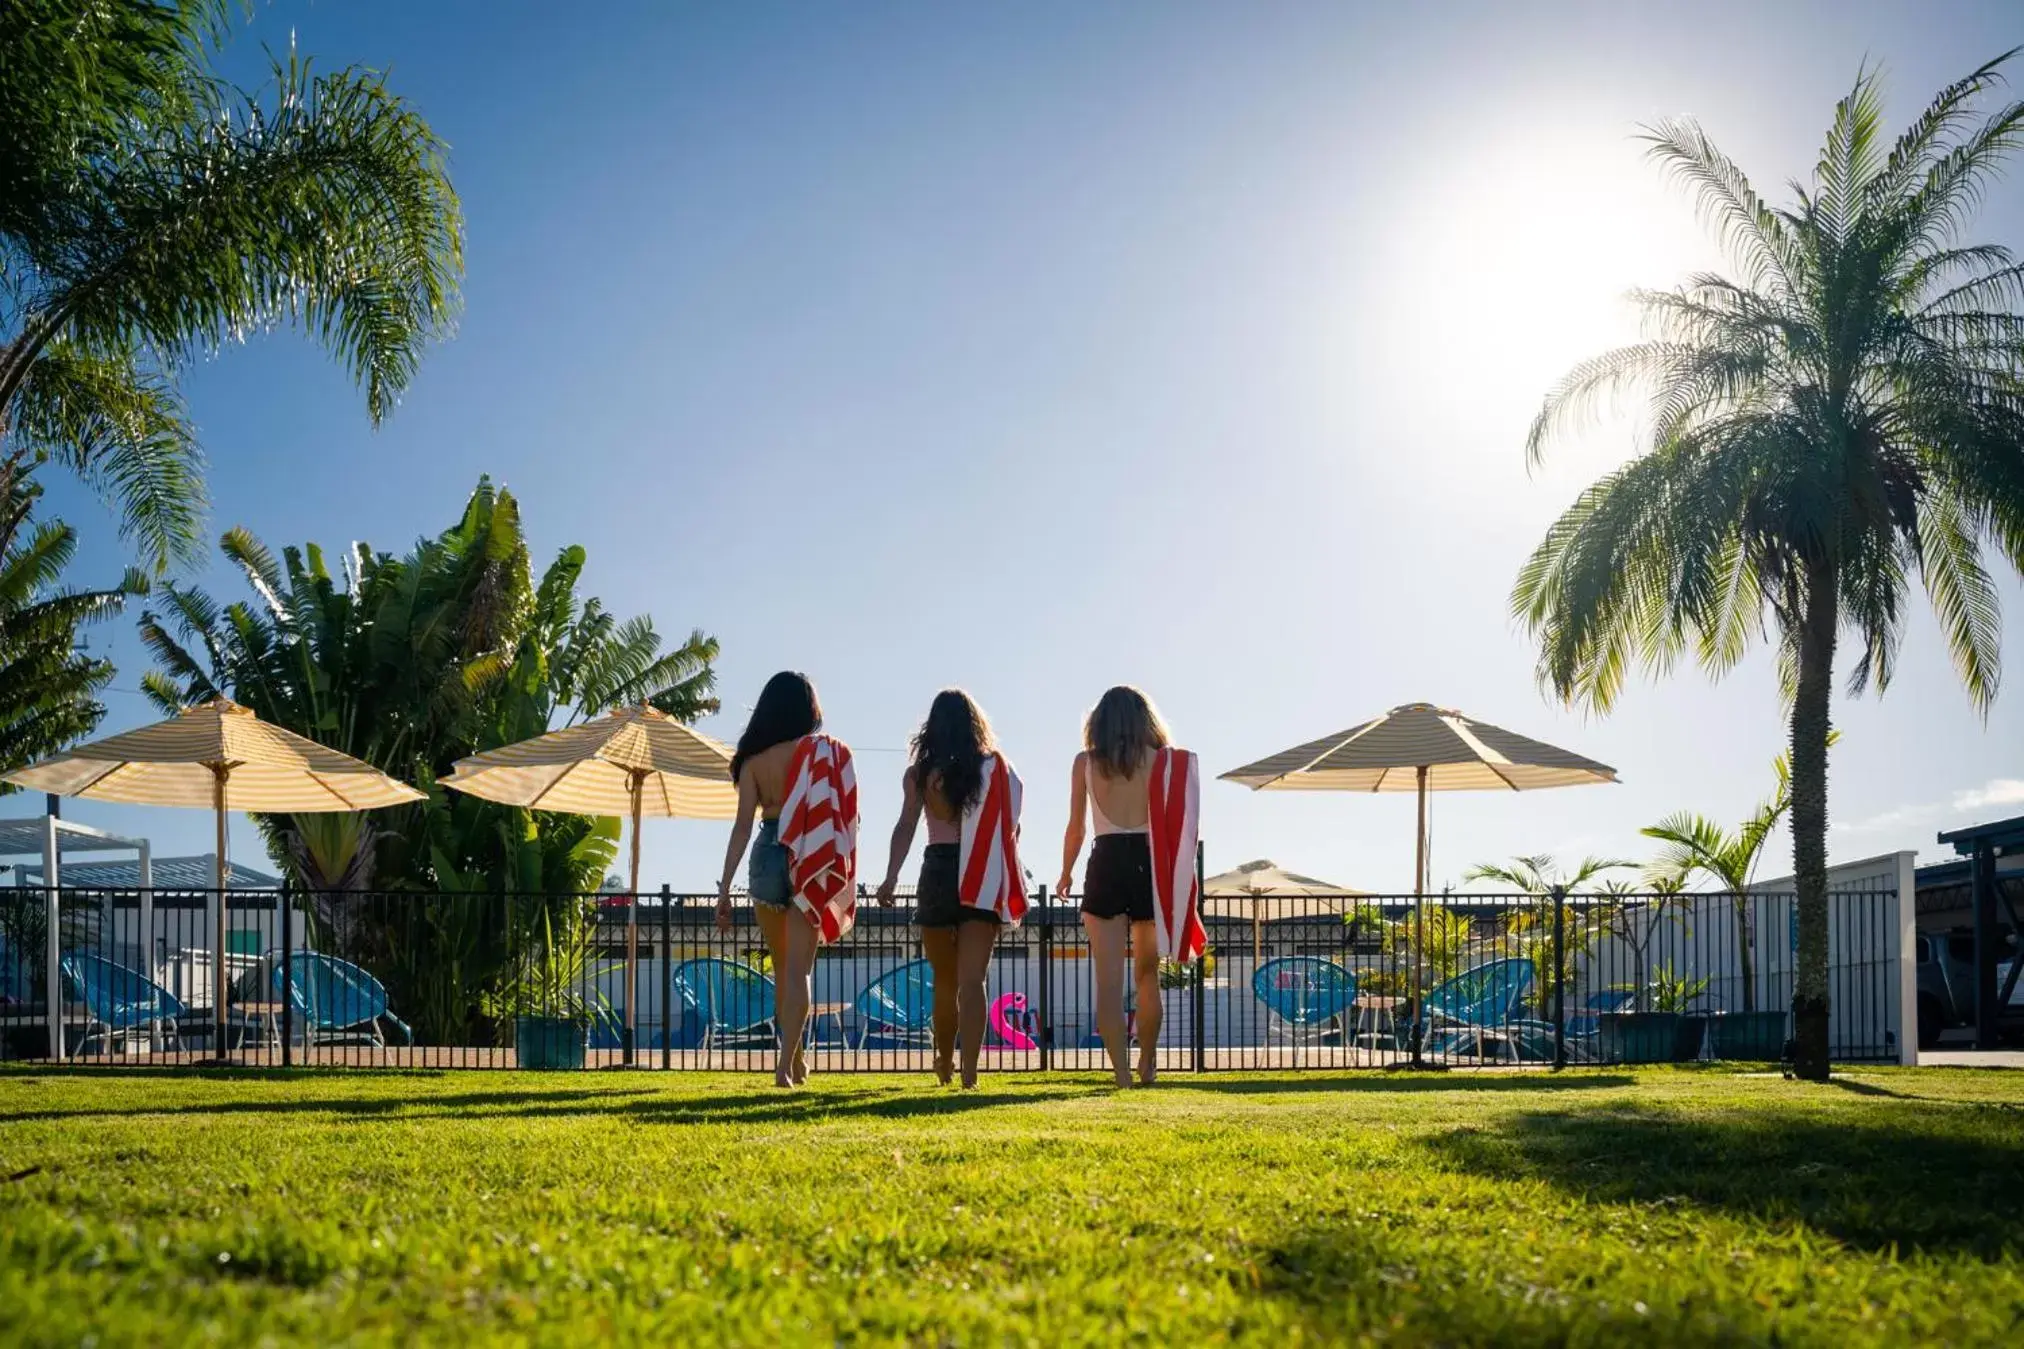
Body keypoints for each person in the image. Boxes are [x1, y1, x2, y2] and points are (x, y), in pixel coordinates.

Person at [874, 689, 1018, 1089]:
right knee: (974, 982)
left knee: (944, 981)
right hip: (981, 871)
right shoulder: (990, 771)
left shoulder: (921, 775)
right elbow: (1010, 824)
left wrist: (890, 876)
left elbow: (905, 826)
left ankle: (943, 1060)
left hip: (937, 868)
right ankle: (970, 1072)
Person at [1058, 685, 1173, 1088]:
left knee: (1107, 981)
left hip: (1105, 861)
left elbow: (1076, 828)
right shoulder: (1162, 761)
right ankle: (1148, 1064)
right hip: (1151, 863)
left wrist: (1066, 873)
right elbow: (1181, 827)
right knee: (1147, 975)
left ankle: (1121, 1073)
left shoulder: (1085, 763)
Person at [717, 670, 826, 1088]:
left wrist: (725, 888)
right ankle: (787, 1065)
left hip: (766, 851)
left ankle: (793, 1060)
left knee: (782, 969)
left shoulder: (753, 762)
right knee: (801, 970)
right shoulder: (817, 754)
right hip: (807, 852)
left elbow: (741, 828)